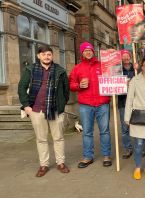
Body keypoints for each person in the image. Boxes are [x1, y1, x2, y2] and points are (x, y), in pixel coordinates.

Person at [18, 45, 70, 177]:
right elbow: (21, 88)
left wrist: (62, 105)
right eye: (44, 54)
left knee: (58, 138)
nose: (46, 57)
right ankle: (44, 165)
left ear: (52, 56)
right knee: (41, 139)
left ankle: (60, 163)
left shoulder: (60, 71)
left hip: (55, 110)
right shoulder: (30, 69)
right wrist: (26, 106)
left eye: (49, 54)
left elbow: (66, 90)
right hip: (36, 110)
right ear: (38, 56)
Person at [69, 41, 112, 168]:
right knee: (87, 132)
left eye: (90, 50)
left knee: (105, 131)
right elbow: (71, 85)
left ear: (93, 52)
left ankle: (106, 155)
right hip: (85, 105)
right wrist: (78, 86)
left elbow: (113, 74)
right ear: (82, 52)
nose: (88, 52)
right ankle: (88, 157)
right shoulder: (77, 68)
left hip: (102, 103)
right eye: (85, 50)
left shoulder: (103, 65)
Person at [118, 49, 136, 159]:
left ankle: (140, 147)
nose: (125, 58)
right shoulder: (117, 70)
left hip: (136, 102)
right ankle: (128, 148)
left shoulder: (136, 69)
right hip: (123, 101)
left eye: (127, 56)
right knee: (125, 127)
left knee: (138, 125)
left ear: (130, 57)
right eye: (123, 56)